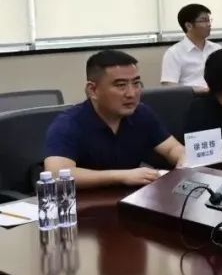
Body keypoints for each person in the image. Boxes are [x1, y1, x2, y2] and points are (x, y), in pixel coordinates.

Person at [44, 50, 185, 188]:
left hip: (131, 197)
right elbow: (56, 174)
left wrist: (182, 159)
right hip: (85, 200)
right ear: (93, 90)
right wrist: (122, 176)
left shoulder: (141, 114)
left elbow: (172, 148)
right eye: (121, 85)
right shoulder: (68, 124)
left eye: (136, 83)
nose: (131, 93)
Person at [160, 3, 221, 90]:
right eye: (204, 21)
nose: (209, 24)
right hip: (190, 97)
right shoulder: (173, 53)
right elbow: (169, 87)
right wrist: (198, 90)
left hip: (216, 95)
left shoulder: (217, 49)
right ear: (188, 25)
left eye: (209, 20)